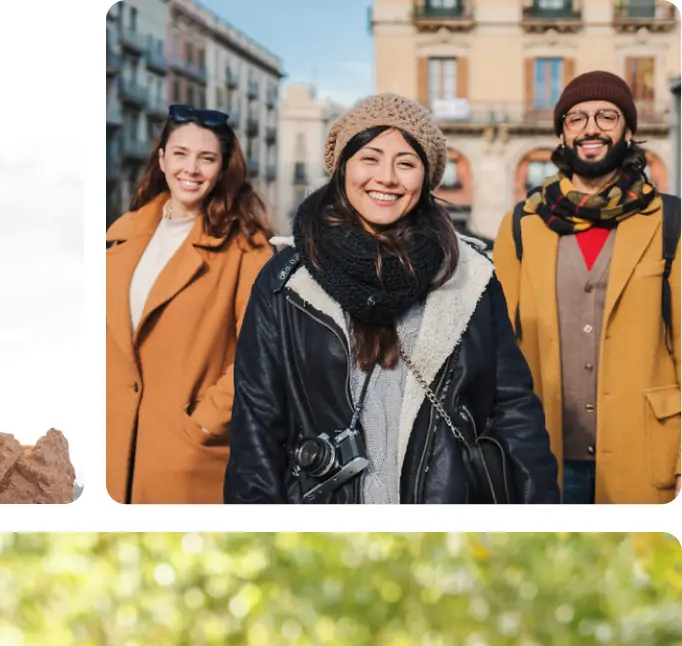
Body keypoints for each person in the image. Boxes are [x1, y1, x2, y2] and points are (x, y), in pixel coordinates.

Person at [224, 95, 558, 504]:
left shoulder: (470, 277)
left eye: (406, 163)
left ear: (427, 177)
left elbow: (514, 410)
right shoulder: (286, 281)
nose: (386, 177)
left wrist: (540, 511)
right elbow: (256, 426)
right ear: (343, 167)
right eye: (370, 158)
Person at [493, 72, 680, 505]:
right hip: (541, 457)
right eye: (576, 118)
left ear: (628, 131)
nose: (590, 128)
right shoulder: (522, 225)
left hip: (651, 453)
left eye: (606, 116)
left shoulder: (671, 221)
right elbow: (500, 350)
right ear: (563, 132)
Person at [106, 105, 273, 504]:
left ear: (223, 167)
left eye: (207, 158)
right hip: (110, 455)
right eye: (180, 153)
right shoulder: (120, 235)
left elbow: (262, 353)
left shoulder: (246, 248)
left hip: (186, 463)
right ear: (161, 157)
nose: (191, 169)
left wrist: (202, 425)